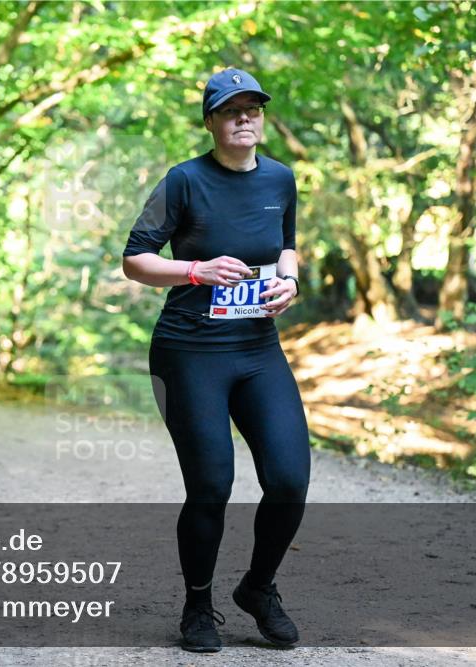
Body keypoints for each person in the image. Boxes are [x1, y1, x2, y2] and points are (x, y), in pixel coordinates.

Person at [121, 68, 311, 652]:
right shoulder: (184, 181)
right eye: (231, 110)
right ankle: (198, 604)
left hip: (257, 349)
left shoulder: (280, 178)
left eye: (253, 108)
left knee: (289, 480)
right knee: (211, 485)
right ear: (211, 122)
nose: (245, 118)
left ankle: (258, 588)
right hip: (189, 352)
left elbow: (286, 246)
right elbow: (135, 259)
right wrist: (195, 270)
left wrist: (290, 282)